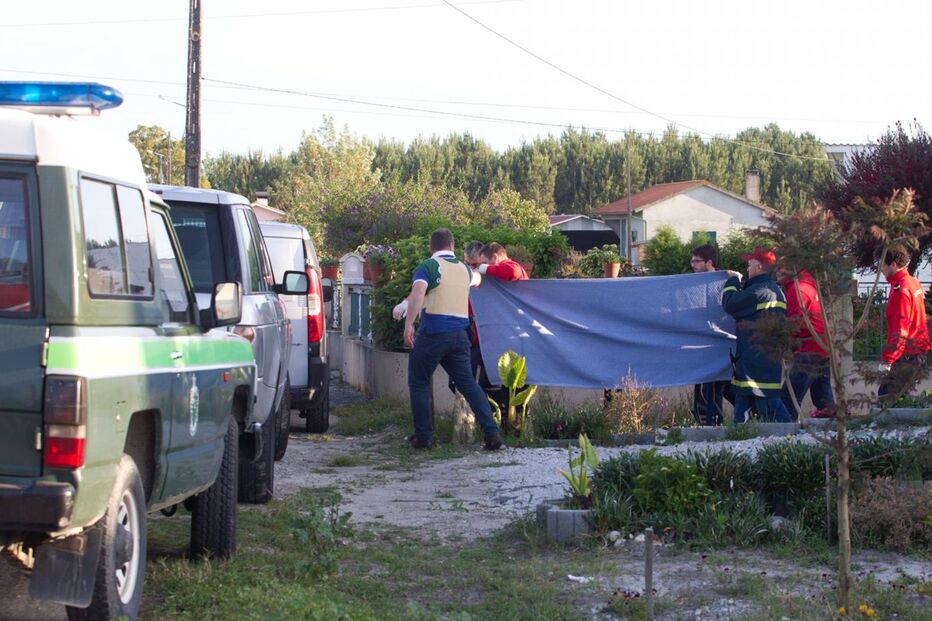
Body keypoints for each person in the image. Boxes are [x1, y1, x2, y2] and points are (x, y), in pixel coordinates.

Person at [401, 229, 504, 450]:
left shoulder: (428, 267)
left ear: (432, 247)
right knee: (468, 383)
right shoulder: (463, 269)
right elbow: (477, 279)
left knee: (418, 381)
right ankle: (492, 433)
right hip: (460, 334)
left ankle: (423, 437)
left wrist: (409, 324)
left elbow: (419, 292)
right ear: (452, 246)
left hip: (434, 331)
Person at [722, 247, 792, 423]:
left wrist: (733, 281)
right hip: (759, 361)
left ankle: (792, 437)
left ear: (759, 267)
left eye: (750, 265)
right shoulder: (772, 290)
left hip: (757, 363)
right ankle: (739, 437)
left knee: (771, 408)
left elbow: (731, 304)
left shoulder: (760, 292)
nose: (747, 269)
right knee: (745, 404)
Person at [475, 242, 529, 431]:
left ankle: (512, 427)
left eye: (485, 263)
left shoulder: (513, 267)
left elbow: (511, 272)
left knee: (510, 388)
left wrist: (483, 269)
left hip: (514, 338)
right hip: (502, 338)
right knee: (488, 384)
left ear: (495, 258)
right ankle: (501, 424)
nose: (483, 269)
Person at [778, 265, 835, 419]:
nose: (777, 271)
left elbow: (795, 322)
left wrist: (783, 343)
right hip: (820, 346)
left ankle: (786, 431)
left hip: (809, 348)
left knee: (789, 395)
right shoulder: (806, 286)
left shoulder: (797, 289)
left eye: (780, 268)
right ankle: (834, 426)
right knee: (822, 395)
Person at [876, 245, 930, 403]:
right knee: (898, 396)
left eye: (882, 265)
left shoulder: (901, 289)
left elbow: (901, 328)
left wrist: (888, 359)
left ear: (893, 264)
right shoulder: (912, 282)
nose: (881, 270)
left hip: (908, 352)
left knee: (887, 398)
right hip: (916, 350)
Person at [689, 243, 735, 425]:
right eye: (692, 261)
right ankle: (711, 422)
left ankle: (712, 423)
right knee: (714, 386)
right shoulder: (695, 284)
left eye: (697, 261)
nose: (693, 264)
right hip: (703, 347)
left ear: (709, 262)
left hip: (718, 345)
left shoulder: (723, 281)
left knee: (715, 386)